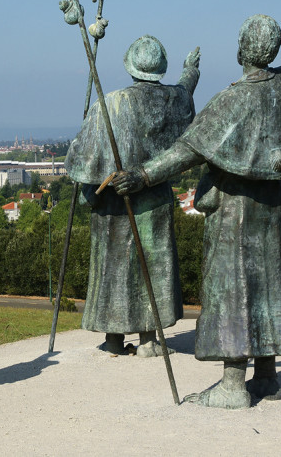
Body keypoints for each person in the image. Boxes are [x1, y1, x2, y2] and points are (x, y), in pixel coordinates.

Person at [113, 0, 281, 408]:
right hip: (278, 204)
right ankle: (266, 376)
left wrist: (140, 176)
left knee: (236, 289)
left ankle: (232, 384)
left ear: (242, 50)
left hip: (238, 210)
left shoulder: (233, 101)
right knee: (271, 285)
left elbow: (185, 150)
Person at [64, 35, 200, 356]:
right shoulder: (172, 101)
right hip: (153, 199)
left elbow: (81, 162)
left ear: (130, 66)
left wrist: (89, 189)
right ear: (160, 69)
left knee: (113, 266)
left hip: (112, 204)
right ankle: (149, 338)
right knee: (149, 265)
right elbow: (185, 92)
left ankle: (113, 339)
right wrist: (191, 70)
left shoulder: (109, 104)